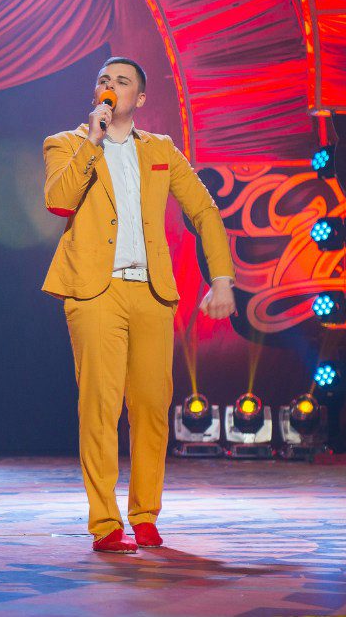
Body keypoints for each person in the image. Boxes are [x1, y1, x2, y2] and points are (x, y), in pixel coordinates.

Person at [42, 56, 234, 553]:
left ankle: (145, 515)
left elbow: (204, 210)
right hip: (95, 292)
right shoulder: (65, 143)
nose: (110, 87)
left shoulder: (161, 150)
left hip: (151, 293)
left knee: (151, 407)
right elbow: (59, 201)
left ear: (140, 98)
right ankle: (106, 523)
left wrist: (222, 279)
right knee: (100, 407)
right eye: (104, 81)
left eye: (122, 82)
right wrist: (93, 140)